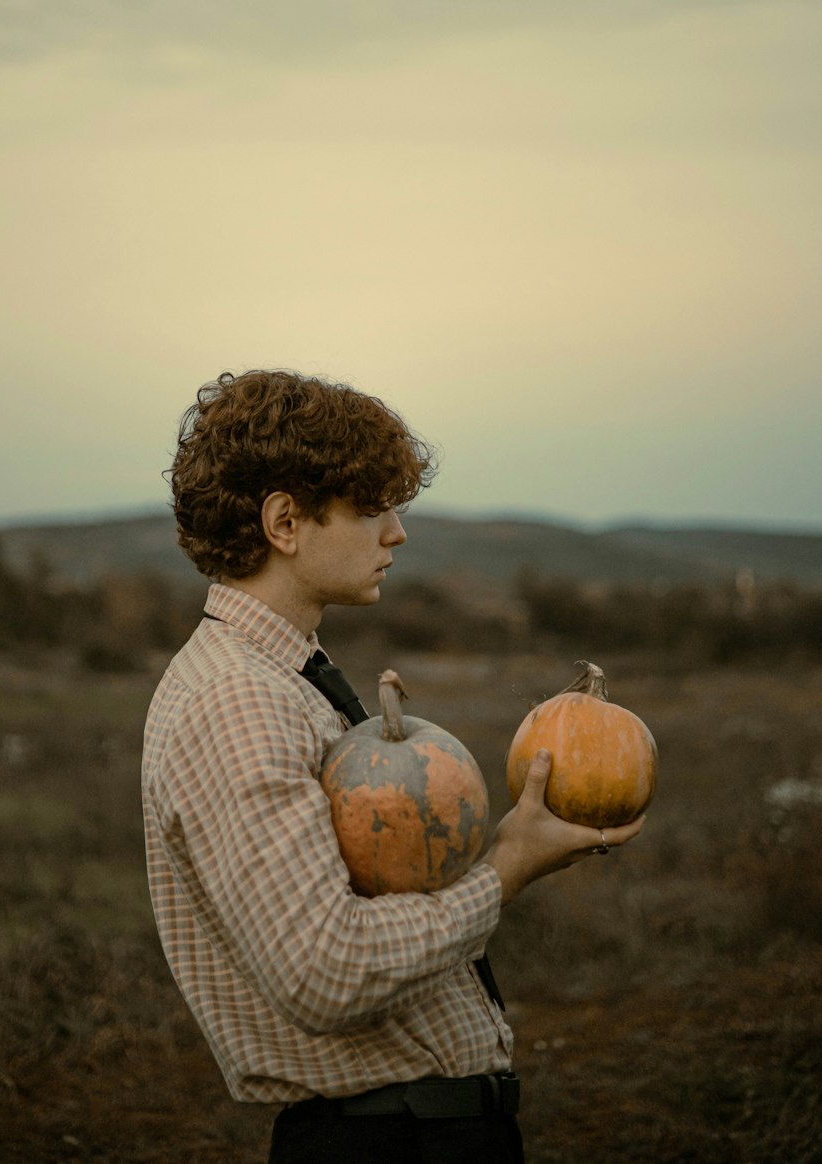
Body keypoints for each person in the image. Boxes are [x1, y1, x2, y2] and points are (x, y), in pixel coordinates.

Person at [141, 370, 644, 1164]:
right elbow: (325, 971)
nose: (397, 533)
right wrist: (505, 870)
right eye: (371, 508)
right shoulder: (237, 701)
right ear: (284, 522)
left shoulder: (285, 675)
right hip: (381, 1141)